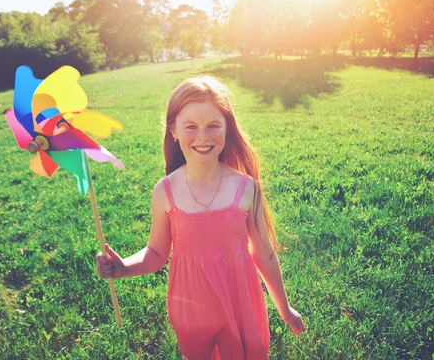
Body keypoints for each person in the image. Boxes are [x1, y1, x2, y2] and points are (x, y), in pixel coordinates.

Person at [96, 75, 304, 359]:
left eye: (213, 126)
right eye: (191, 126)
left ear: (227, 128)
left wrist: (284, 306)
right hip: (191, 309)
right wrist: (124, 268)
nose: (203, 137)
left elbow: (264, 253)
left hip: (240, 303)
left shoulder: (245, 188)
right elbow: (156, 252)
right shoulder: (165, 191)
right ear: (173, 130)